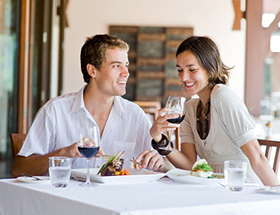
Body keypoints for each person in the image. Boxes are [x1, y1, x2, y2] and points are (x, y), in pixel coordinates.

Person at [12, 34, 165, 177]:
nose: (126, 72)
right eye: (116, 66)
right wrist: (65, 153)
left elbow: (162, 167)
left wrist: (158, 161)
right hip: (67, 202)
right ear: (92, 70)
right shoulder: (55, 111)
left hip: (120, 202)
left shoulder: (135, 115)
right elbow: (20, 169)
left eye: (126, 65)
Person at [148, 36, 279, 186]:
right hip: (213, 189)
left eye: (192, 69)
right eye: (179, 70)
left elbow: (257, 156)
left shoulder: (223, 96)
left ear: (210, 68)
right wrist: (158, 139)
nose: (184, 77)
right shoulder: (190, 108)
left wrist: (276, 196)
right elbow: (189, 164)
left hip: (244, 188)